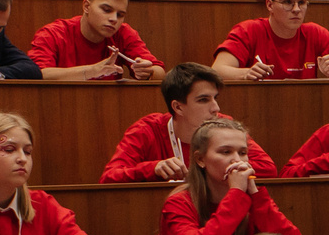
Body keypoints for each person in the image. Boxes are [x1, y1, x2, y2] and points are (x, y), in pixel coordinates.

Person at [162, 118, 304, 235]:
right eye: (226, 152)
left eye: (243, 153)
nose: (237, 160)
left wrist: (257, 196)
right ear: (200, 159)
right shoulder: (178, 202)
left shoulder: (253, 198)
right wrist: (235, 194)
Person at [103, 64, 278, 183]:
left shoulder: (224, 125)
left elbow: (267, 168)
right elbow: (109, 177)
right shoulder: (147, 129)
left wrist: (217, 167)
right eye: (203, 100)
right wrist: (153, 168)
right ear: (178, 107)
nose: (215, 108)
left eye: (215, 98)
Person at [214, 0, 329, 82]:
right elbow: (217, 70)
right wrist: (245, 73)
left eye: (302, 2)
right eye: (288, 2)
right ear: (270, 5)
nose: (296, 9)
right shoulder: (248, 30)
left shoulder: (315, 33)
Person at [27, 0, 163, 82]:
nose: (114, 19)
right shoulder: (52, 34)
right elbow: (39, 75)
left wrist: (148, 71)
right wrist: (92, 71)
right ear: (86, 7)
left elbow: (160, 73)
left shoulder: (123, 32)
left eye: (120, 15)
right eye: (106, 10)